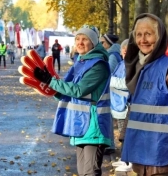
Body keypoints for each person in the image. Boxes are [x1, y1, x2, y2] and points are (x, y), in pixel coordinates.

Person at [119, 13, 168, 176]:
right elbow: (136, 105)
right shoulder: (137, 64)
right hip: (141, 147)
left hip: (163, 149)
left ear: (160, 36)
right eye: (139, 34)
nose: (143, 40)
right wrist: (125, 137)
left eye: (148, 34)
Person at [32, 25, 113, 176]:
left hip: (94, 127)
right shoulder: (80, 62)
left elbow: (78, 90)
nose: (80, 42)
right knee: (84, 173)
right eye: (77, 39)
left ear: (94, 43)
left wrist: (50, 81)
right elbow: (66, 92)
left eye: (84, 39)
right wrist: (47, 86)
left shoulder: (99, 65)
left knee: (89, 173)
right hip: (81, 125)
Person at [109, 39, 133, 172]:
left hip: (124, 104)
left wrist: (110, 80)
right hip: (118, 104)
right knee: (122, 131)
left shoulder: (130, 65)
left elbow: (127, 83)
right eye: (123, 49)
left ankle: (127, 160)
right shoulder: (121, 63)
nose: (124, 51)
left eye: (127, 49)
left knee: (125, 134)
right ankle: (124, 158)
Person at [100, 34, 122, 155]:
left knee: (109, 119)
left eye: (103, 42)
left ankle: (110, 146)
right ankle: (109, 145)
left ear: (108, 43)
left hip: (112, 92)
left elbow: (109, 74)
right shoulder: (112, 54)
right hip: (114, 92)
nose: (101, 44)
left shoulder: (112, 56)